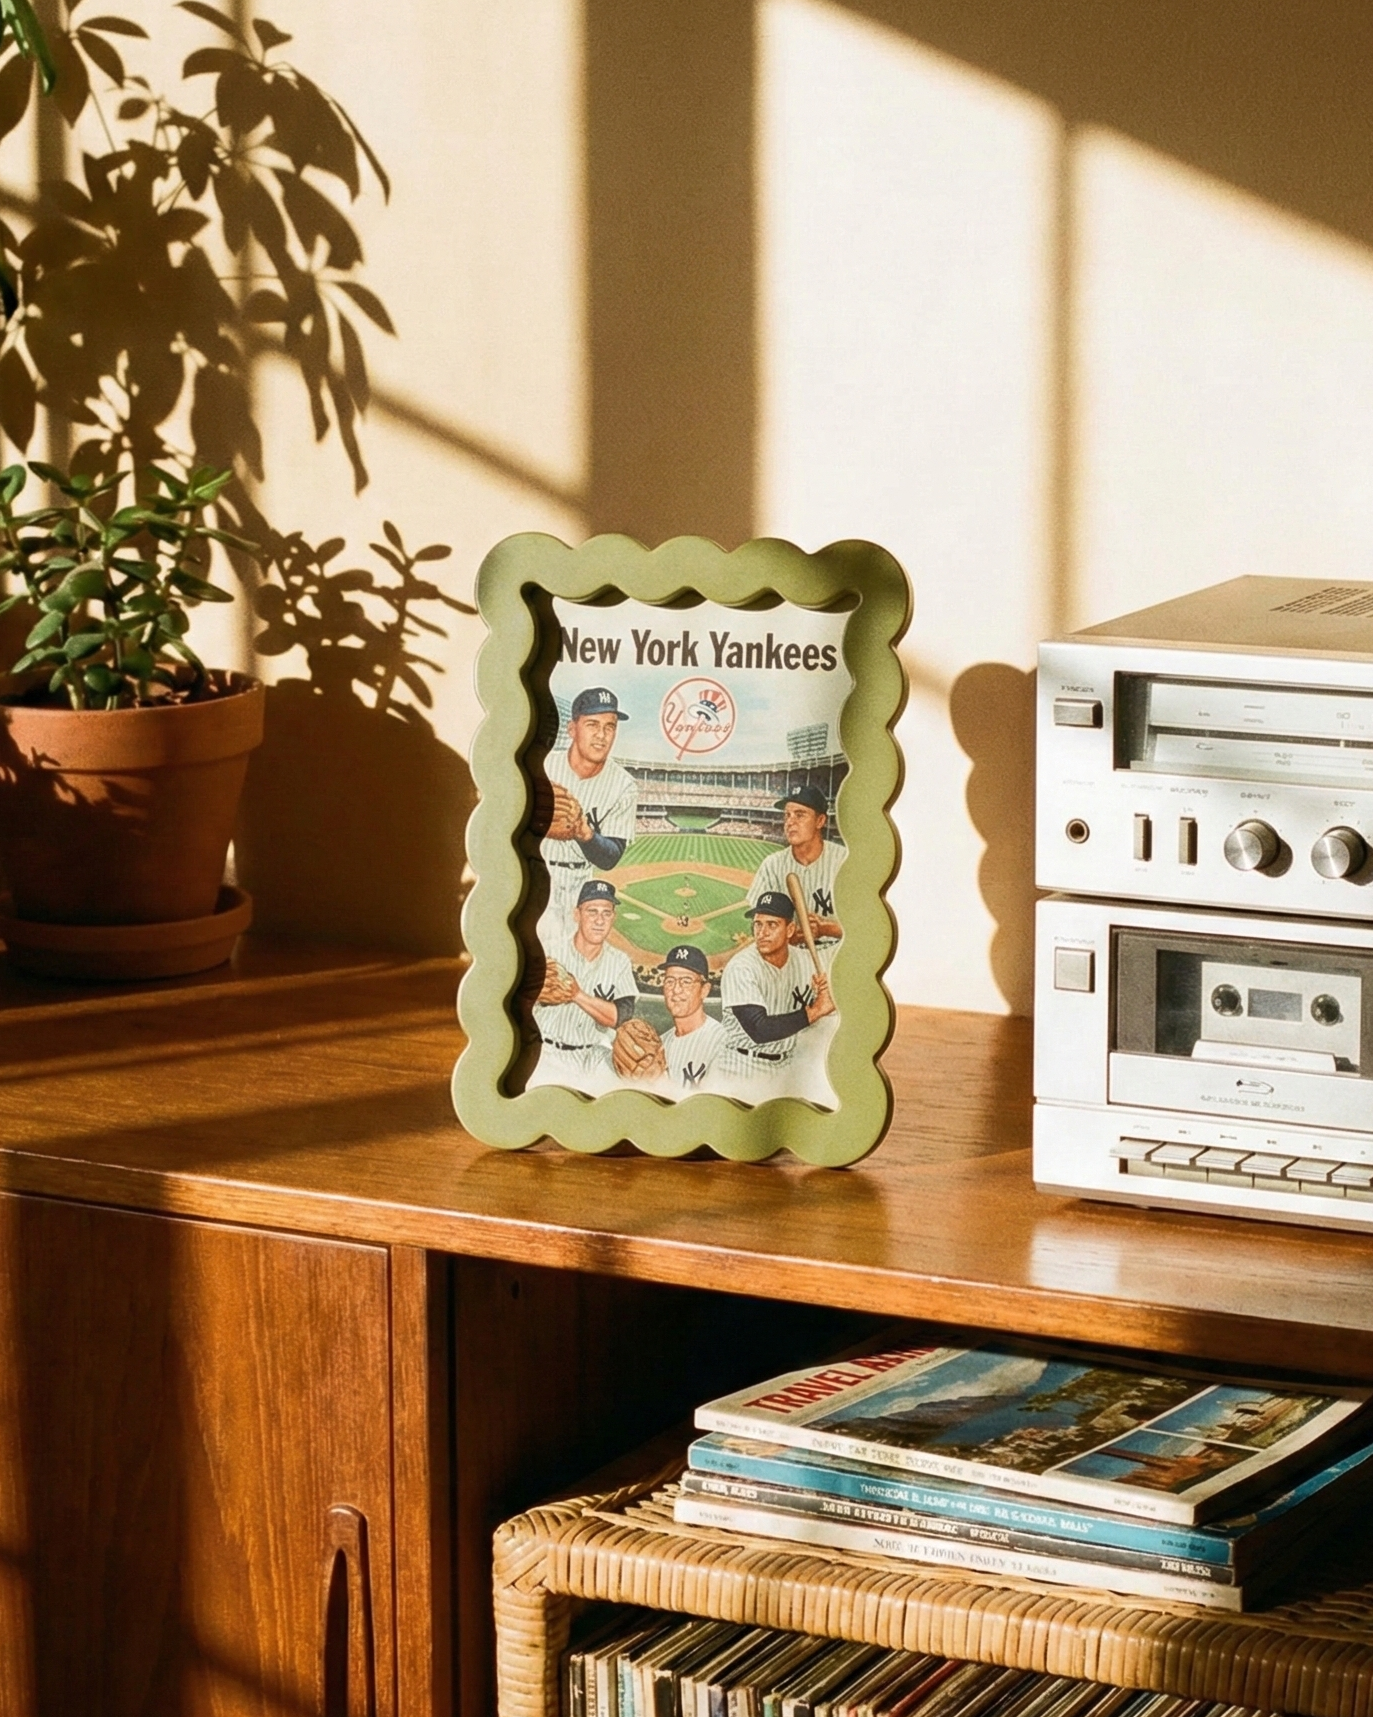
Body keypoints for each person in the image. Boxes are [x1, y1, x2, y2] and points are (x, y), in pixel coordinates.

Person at [537, 687, 638, 932]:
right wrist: (540, 824)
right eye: (592, 724)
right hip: (537, 874)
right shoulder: (542, 766)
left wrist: (584, 832)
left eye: (610, 726)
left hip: (579, 883)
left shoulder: (624, 785)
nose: (602, 735)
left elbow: (610, 857)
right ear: (572, 729)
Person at [528, 879, 638, 1094]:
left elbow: (619, 1017)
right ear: (577, 915)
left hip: (593, 1057)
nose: (599, 920)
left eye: (606, 913)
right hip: (549, 1054)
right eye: (592, 911)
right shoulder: (549, 952)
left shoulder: (619, 961)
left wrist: (577, 995)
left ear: (613, 918)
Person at [720, 891, 834, 1081]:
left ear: (790, 930)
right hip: (741, 1066)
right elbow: (759, 1029)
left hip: (786, 1066)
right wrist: (815, 1010)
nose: (762, 933)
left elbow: (853, 950)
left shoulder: (806, 960)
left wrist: (829, 988)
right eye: (758, 924)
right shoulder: (741, 967)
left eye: (771, 925)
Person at [748, 784, 844, 945]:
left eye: (799, 815)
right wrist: (792, 936)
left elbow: (867, 924)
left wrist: (826, 929)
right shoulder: (772, 865)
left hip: (836, 953)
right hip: (790, 956)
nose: (790, 822)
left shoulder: (843, 860)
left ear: (820, 821)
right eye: (787, 815)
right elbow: (757, 926)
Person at [656, 943, 729, 1095]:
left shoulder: (723, 1041)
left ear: (704, 990)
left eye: (686, 981)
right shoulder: (660, 1044)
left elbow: (712, 1106)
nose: (676, 990)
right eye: (670, 981)